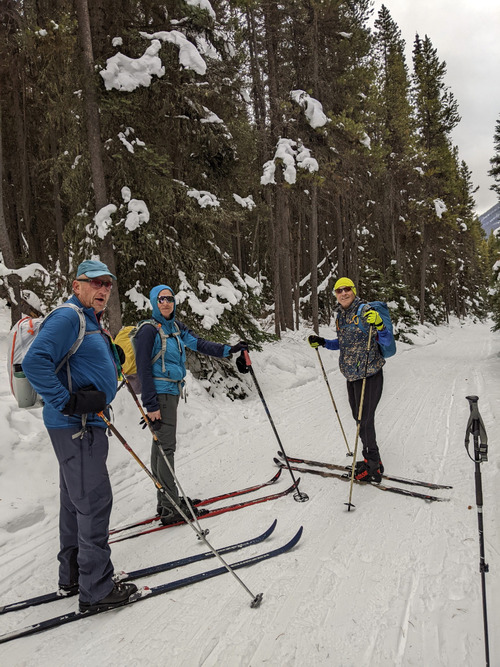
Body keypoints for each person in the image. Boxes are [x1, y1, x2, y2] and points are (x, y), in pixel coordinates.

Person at [22, 260, 137, 613]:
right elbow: (34, 361)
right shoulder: (69, 316)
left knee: (75, 501)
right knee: (93, 501)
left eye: (109, 285)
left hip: (80, 424)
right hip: (77, 425)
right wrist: (68, 401)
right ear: (77, 285)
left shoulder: (89, 321)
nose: (104, 289)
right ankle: (97, 589)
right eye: (97, 283)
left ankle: (72, 575)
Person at [134, 284, 247, 525]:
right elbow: (143, 367)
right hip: (160, 395)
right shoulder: (148, 331)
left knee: (160, 450)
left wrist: (229, 349)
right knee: (166, 450)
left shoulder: (174, 328)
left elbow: (200, 344)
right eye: (161, 299)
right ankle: (171, 506)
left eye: (170, 299)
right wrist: (150, 403)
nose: (166, 303)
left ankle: (167, 502)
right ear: (154, 303)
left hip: (171, 393)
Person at [308, 277, 394, 483]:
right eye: (339, 290)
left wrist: (380, 325)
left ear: (353, 291)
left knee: (365, 420)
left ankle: (374, 464)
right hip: (351, 375)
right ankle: (369, 458)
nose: (343, 293)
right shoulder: (342, 315)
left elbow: (386, 339)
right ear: (335, 295)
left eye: (347, 289)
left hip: (370, 373)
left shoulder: (365, 311)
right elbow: (344, 343)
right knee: (358, 419)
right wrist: (324, 342)